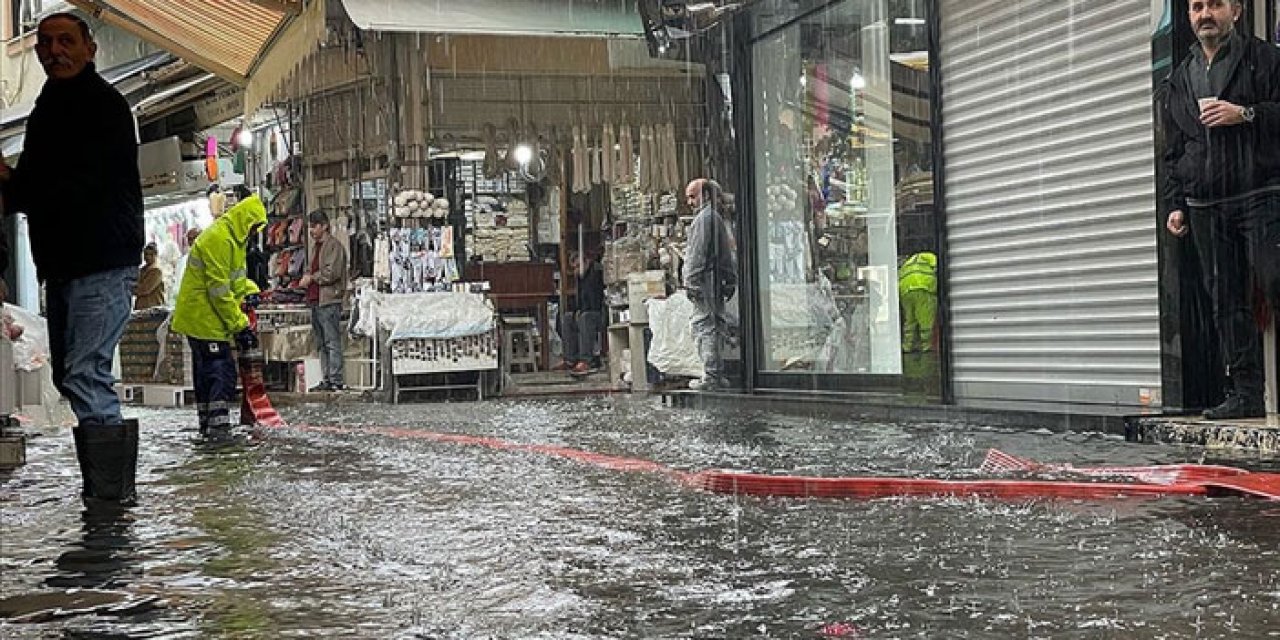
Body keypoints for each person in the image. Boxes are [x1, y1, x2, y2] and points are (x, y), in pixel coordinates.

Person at [0, 13, 144, 503]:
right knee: (71, 374)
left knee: (84, 372)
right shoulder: (51, 105)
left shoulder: (99, 105)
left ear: (90, 48)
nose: (54, 50)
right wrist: (15, 184)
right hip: (67, 263)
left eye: (66, 41)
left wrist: (17, 185)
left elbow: (70, 184)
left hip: (101, 259)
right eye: (45, 43)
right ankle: (110, 498)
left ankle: (109, 505)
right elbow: (38, 183)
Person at [1163, 0, 1280, 419]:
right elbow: (1174, 150)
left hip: (1262, 192)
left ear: (1237, 11)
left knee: (1276, 280)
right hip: (1205, 204)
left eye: (1214, 4)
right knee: (1226, 301)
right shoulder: (1179, 79)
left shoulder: (1267, 59)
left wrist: (1244, 113)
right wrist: (1175, 204)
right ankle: (1246, 394)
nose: (1204, 14)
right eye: (1196, 7)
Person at [172, 194, 266, 442]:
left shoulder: (233, 240)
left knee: (206, 373)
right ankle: (218, 430)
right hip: (204, 318)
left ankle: (209, 426)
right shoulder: (220, 240)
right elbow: (219, 291)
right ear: (247, 221)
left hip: (205, 319)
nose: (256, 232)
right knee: (218, 371)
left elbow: (234, 280)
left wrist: (251, 291)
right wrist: (240, 324)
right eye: (255, 227)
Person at [682, 178, 737, 390]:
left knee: (705, 327)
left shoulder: (705, 219)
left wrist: (691, 282)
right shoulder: (714, 218)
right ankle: (715, 374)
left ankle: (712, 376)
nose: (689, 202)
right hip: (712, 280)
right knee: (713, 326)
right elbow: (726, 255)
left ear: (705, 195)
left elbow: (696, 255)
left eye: (692, 196)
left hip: (706, 280)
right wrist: (729, 279)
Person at [299, 210, 348, 391]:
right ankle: (326, 378)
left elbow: (331, 273)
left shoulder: (333, 247)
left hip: (328, 300)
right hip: (316, 300)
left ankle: (336, 379)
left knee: (332, 341)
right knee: (321, 343)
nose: (311, 230)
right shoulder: (315, 248)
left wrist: (312, 278)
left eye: (314, 226)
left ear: (324, 226)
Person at [559, 251, 606, 376]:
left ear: (586, 262)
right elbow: (579, 300)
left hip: (598, 312)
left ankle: (586, 360)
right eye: (574, 268)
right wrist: (575, 311)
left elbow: (595, 299)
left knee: (585, 318)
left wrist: (582, 311)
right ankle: (570, 358)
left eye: (578, 266)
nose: (576, 270)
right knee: (567, 318)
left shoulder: (596, 273)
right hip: (586, 311)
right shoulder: (580, 277)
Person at [898, 251, 938, 353]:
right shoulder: (928, 256)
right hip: (922, 287)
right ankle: (926, 346)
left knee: (910, 319)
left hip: (905, 291)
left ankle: (907, 346)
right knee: (925, 318)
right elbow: (937, 267)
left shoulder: (907, 264)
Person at [169, 227, 201, 307]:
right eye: (189, 239)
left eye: (195, 238)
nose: (192, 241)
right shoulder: (183, 260)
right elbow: (178, 283)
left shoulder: (208, 259)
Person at [134, 243, 165, 310]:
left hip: (153, 309)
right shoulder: (141, 270)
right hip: (140, 308)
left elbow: (144, 289)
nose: (148, 257)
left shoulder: (156, 271)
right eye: (146, 254)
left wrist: (130, 289)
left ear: (156, 255)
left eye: (151, 255)